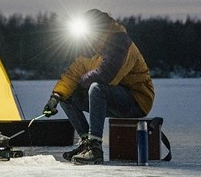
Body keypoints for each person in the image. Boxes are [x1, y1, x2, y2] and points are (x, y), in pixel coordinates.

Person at [42, 9, 154, 165]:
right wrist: (55, 97)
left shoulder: (120, 43)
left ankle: (95, 148)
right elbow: (72, 75)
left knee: (96, 88)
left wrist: (81, 83)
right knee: (67, 96)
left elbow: (108, 75)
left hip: (136, 100)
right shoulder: (88, 49)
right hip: (111, 97)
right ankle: (86, 143)